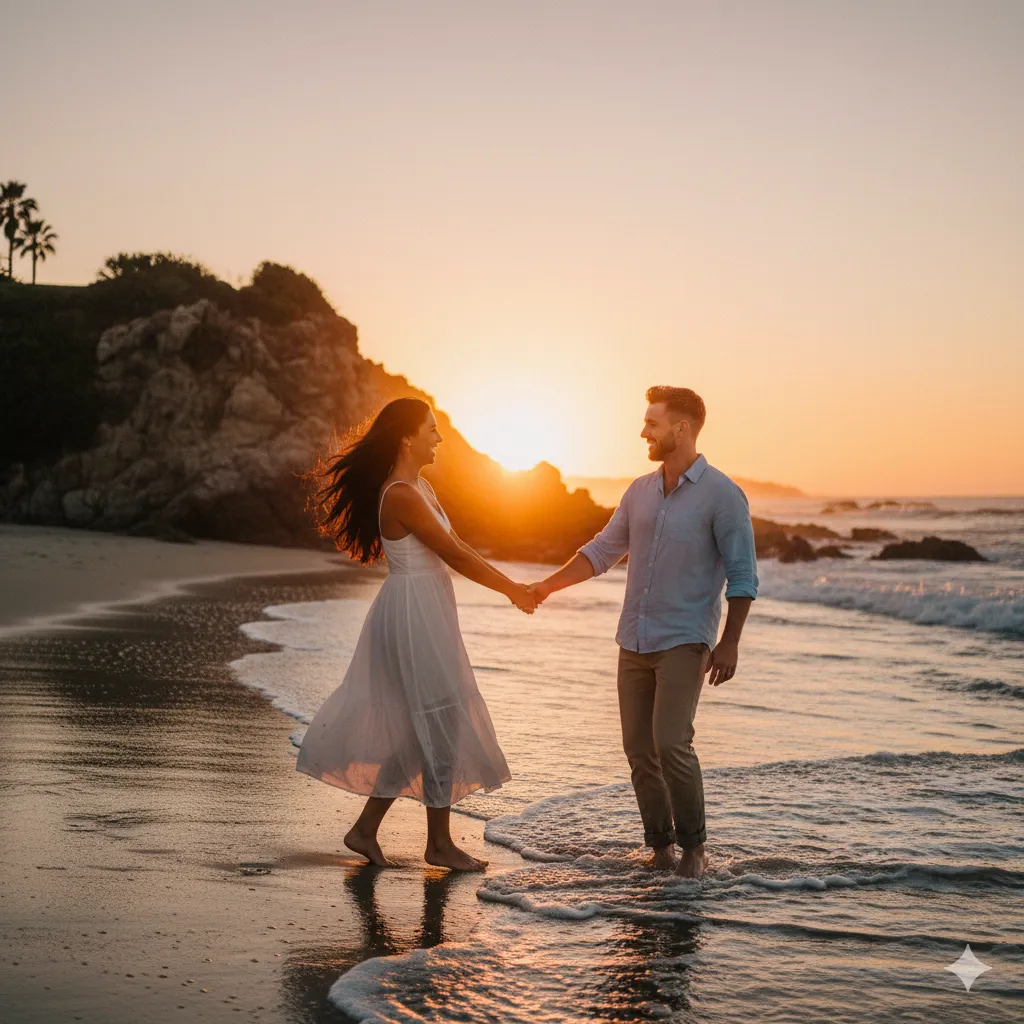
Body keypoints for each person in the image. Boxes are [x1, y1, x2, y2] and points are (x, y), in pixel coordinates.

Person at [296, 398, 537, 871]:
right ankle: (438, 844)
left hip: (424, 609)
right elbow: (455, 555)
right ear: (407, 438)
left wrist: (512, 585)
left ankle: (365, 831)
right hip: (413, 615)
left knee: (422, 727)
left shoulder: (420, 487)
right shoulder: (401, 494)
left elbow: (459, 544)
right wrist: (512, 589)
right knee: (440, 723)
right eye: (432, 429)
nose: (439, 438)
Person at [529, 386, 758, 878]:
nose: (643, 432)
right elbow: (601, 551)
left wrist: (730, 641)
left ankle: (694, 849)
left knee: (671, 743)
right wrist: (547, 586)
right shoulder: (639, 491)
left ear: (682, 428)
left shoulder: (723, 495)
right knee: (638, 750)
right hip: (633, 639)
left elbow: (743, 574)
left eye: (652, 423)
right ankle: (660, 848)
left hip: (685, 639)